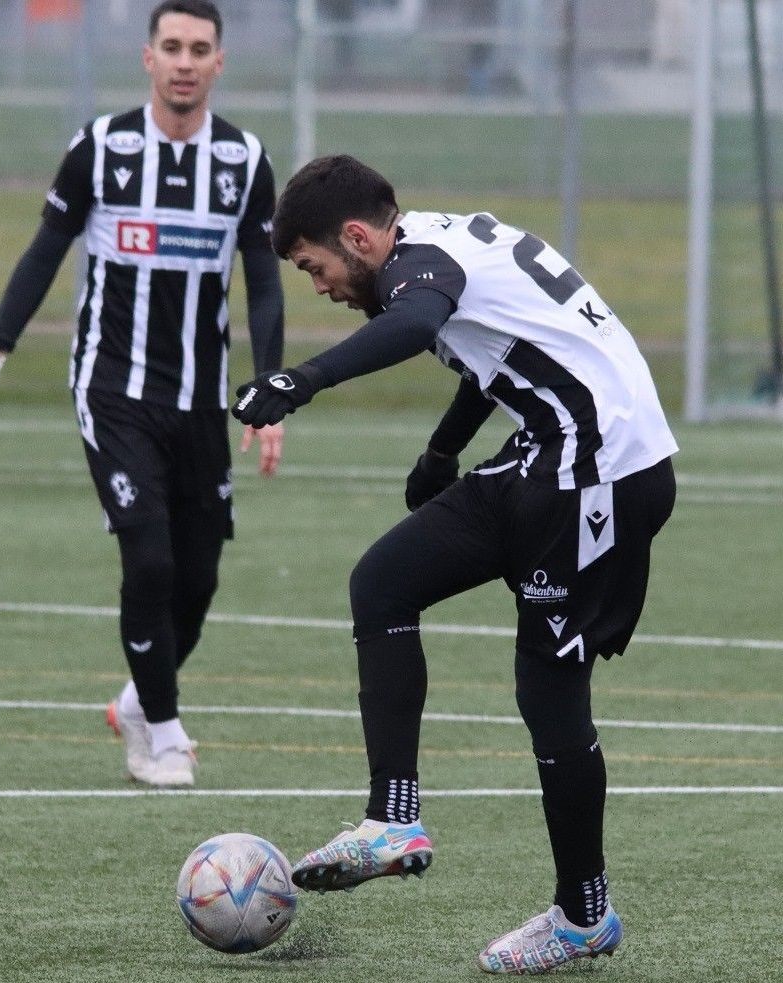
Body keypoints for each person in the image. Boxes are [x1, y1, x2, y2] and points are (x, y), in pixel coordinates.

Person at [233, 154, 677, 973]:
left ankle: (583, 916)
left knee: (549, 693)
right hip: (548, 453)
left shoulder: (420, 267)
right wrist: (441, 452)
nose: (319, 286)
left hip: (600, 474)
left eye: (313, 267)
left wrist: (299, 381)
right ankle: (391, 819)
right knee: (382, 582)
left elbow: (413, 324)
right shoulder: (438, 245)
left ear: (358, 237)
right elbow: (495, 352)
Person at [0, 0, 285, 789]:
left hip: (201, 398)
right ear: (147, 57)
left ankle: (138, 700)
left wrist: (270, 387)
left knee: (197, 579)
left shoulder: (244, 160)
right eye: (170, 46)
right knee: (149, 557)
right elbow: (43, 253)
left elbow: (265, 283)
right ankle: (163, 735)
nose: (183, 62)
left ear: (218, 62)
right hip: (112, 388)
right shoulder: (100, 148)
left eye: (198, 49)